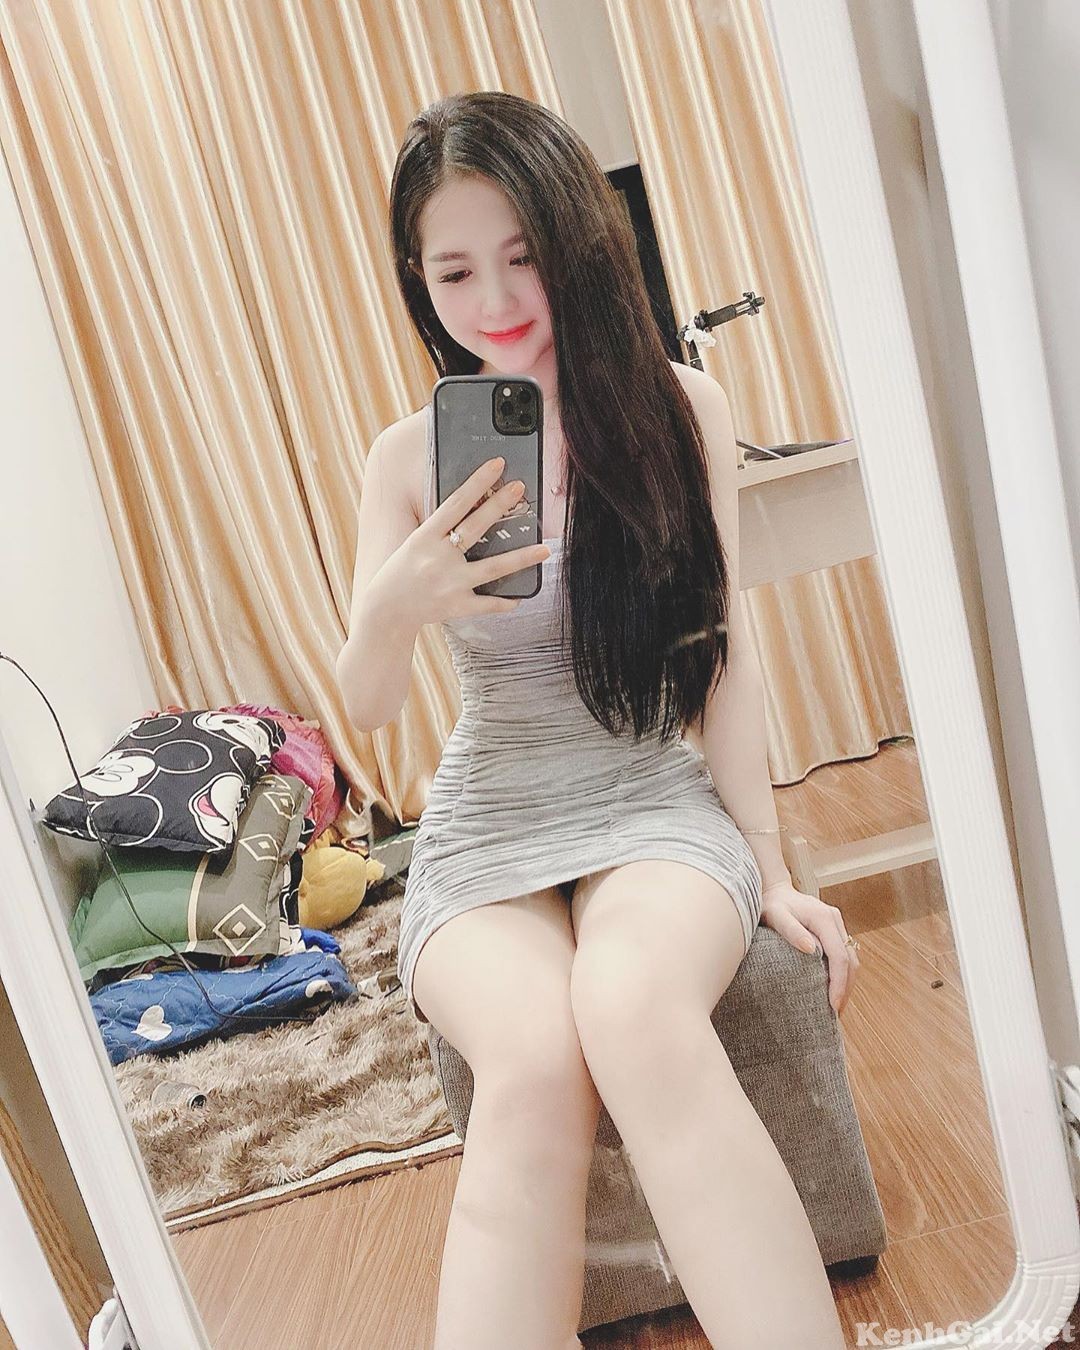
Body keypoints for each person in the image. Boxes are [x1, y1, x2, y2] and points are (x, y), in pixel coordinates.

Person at [336, 90, 858, 1350]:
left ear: (577, 239)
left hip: (643, 794)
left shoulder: (681, 409)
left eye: (523, 255)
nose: (496, 299)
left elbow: (719, 654)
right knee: (529, 1064)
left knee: (632, 1010)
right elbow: (369, 711)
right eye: (455, 271)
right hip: (485, 818)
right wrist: (394, 608)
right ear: (417, 279)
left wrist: (772, 867)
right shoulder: (407, 458)